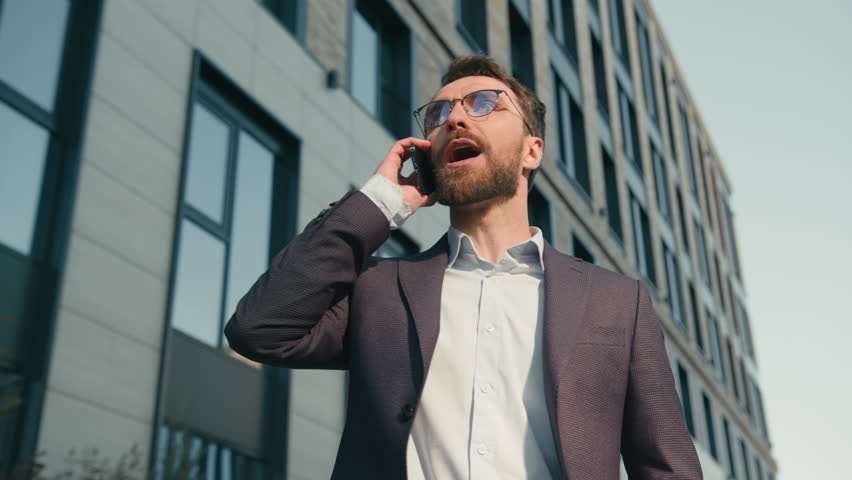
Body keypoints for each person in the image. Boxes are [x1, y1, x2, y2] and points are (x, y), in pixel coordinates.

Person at [224, 55, 702, 480]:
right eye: (439, 112)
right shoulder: (380, 290)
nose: (453, 118)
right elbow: (260, 329)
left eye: (482, 104)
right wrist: (382, 202)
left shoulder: (618, 302)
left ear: (531, 150)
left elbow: (667, 466)